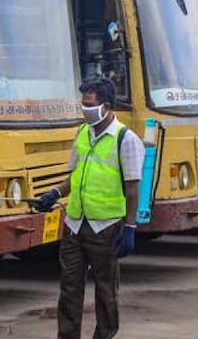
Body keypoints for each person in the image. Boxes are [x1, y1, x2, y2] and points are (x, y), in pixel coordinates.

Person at [37, 77, 143, 339]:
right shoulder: (82, 133)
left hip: (106, 228)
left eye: (89, 104)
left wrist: (130, 227)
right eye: (83, 103)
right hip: (74, 225)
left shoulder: (126, 140)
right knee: (69, 290)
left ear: (106, 107)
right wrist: (53, 193)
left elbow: (132, 189)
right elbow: (73, 177)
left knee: (106, 292)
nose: (84, 109)